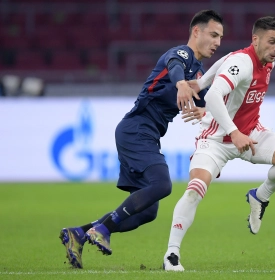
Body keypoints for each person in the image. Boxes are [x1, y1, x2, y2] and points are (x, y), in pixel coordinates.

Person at [59, 10, 224, 269]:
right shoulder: (182, 54)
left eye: (220, 37)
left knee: (147, 211)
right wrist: (181, 84)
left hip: (146, 134)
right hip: (136, 129)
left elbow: (210, 107)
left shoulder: (200, 73)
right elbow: (174, 66)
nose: (217, 42)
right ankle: (103, 228)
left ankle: (79, 233)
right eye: (213, 35)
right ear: (196, 31)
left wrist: (209, 119)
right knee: (162, 185)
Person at [162, 16, 275, 271]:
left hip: (251, 134)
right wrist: (232, 130)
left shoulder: (262, 58)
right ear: (256, 39)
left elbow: (225, 59)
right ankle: (172, 254)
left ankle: (260, 197)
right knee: (195, 188)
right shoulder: (243, 62)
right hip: (217, 138)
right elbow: (215, 95)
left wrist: (203, 81)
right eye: (272, 42)